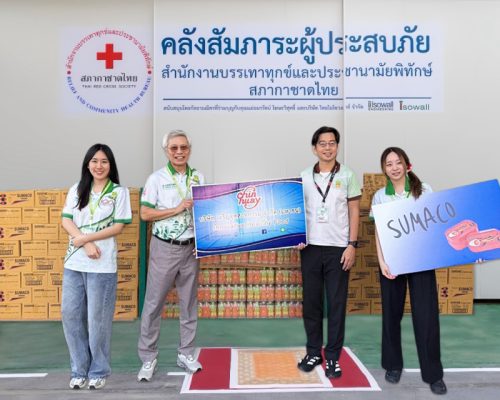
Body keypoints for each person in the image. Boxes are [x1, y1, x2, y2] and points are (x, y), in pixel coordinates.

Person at [371, 147, 447, 395]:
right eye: (389, 164)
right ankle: (393, 365)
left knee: (426, 318)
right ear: (384, 169)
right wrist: (382, 261)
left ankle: (433, 375)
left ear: (407, 165)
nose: (394, 167)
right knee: (391, 315)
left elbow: (435, 224)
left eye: (398, 162)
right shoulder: (380, 196)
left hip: (420, 261)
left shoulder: (424, 190)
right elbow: (379, 232)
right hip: (392, 262)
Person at [61, 144, 132, 390]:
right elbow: (66, 220)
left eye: (104, 161)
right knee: (70, 315)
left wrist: (86, 239)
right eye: (94, 161)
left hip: (102, 266)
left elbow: (118, 226)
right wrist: (85, 242)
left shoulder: (119, 192)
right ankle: (79, 369)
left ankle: (98, 370)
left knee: (97, 321)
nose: (98, 166)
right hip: (74, 263)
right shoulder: (77, 189)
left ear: (110, 165)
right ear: (87, 164)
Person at [137, 129, 205, 382]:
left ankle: (186, 353)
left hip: (191, 248)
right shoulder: (156, 179)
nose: (179, 152)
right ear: (166, 151)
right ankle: (148, 357)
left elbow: (205, 211)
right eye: (174, 148)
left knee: (188, 304)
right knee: (154, 304)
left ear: (189, 150)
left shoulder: (198, 177)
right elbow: (145, 214)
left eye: (183, 147)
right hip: (164, 247)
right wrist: (176, 209)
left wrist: (205, 240)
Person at [297, 126, 361, 378]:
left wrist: (352, 245)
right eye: (322, 143)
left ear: (337, 146)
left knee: (336, 304)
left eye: (332, 143)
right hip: (310, 248)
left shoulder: (347, 175)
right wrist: (297, 236)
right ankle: (313, 352)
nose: (327, 147)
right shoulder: (304, 176)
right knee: (312, 304)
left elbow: (354, 210)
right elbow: (296, 210)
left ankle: (333, 357)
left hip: (338, 249)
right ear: (314, 148)